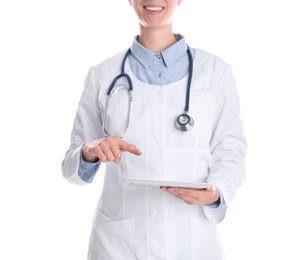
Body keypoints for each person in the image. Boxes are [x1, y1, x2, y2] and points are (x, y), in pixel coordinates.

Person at [61, 0, 247, 259]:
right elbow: (71, 169)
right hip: (120, 245)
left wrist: (216, 191)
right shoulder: (102, 75)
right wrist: (90, 150)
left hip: (193, 241)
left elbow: (232, 153)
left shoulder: (216, 73)